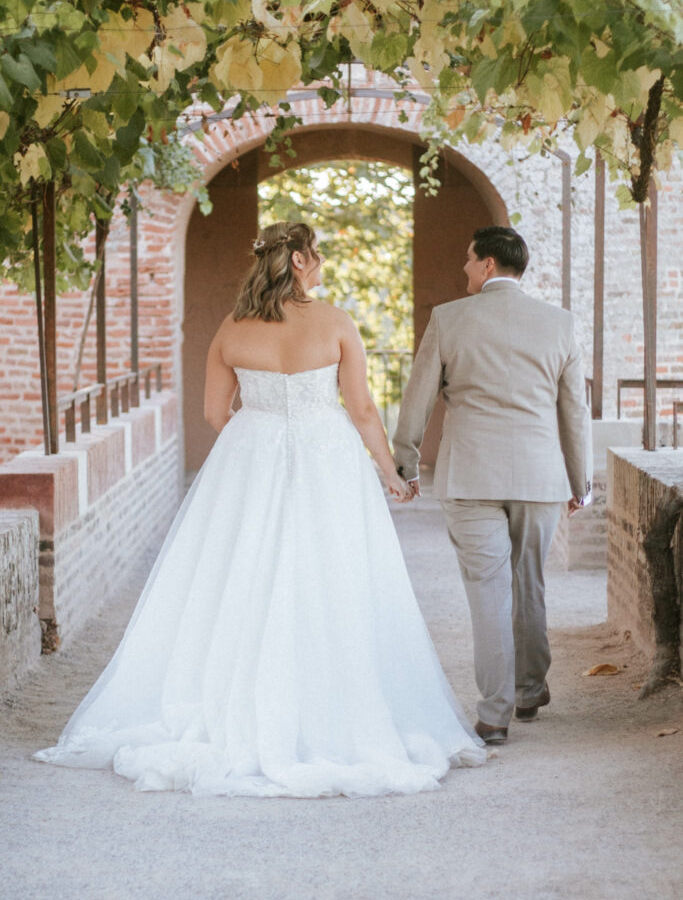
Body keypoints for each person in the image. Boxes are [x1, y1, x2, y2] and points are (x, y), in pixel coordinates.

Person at [34, 221, 486, 796]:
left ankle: (233, 696)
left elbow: (213, 413)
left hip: (250, 455)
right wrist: (391, 473)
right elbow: (365, 409)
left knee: (240, 573)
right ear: (297, 260)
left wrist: (256, 442)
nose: (320, 263)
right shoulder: (335, 322)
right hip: (328, 458)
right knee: (333, 572)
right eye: (316, 254)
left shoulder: (231, 328)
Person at [393, 226, 592, 746]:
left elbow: (418, 398)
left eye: (467, 259)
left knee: (487, 591)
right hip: (540, 475)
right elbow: (573, 410)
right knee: (530, 581)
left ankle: (493, 713)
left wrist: (405, 463)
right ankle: (529, 690)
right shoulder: (560, 324)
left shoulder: (449, 319)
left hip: (470, 477)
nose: (464, 269)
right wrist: (580, 481)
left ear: (485, 266)